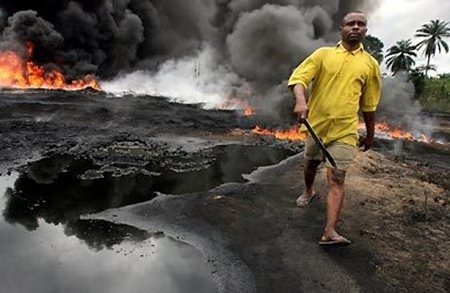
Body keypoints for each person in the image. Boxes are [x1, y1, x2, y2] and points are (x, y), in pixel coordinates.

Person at [287, 11, 381, 245]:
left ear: (365, 30)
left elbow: (369, 105)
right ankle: (309, 191)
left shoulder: (370, 64)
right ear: (341, 29)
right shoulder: (323, 55)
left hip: (345, 131)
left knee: (337, 176)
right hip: (316, 126)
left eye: (361, 24)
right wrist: (301, 101)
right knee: (310, 164)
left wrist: (370, 134)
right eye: (351, 23)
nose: (356, 27)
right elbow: (299, 78)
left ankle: (329, 231)